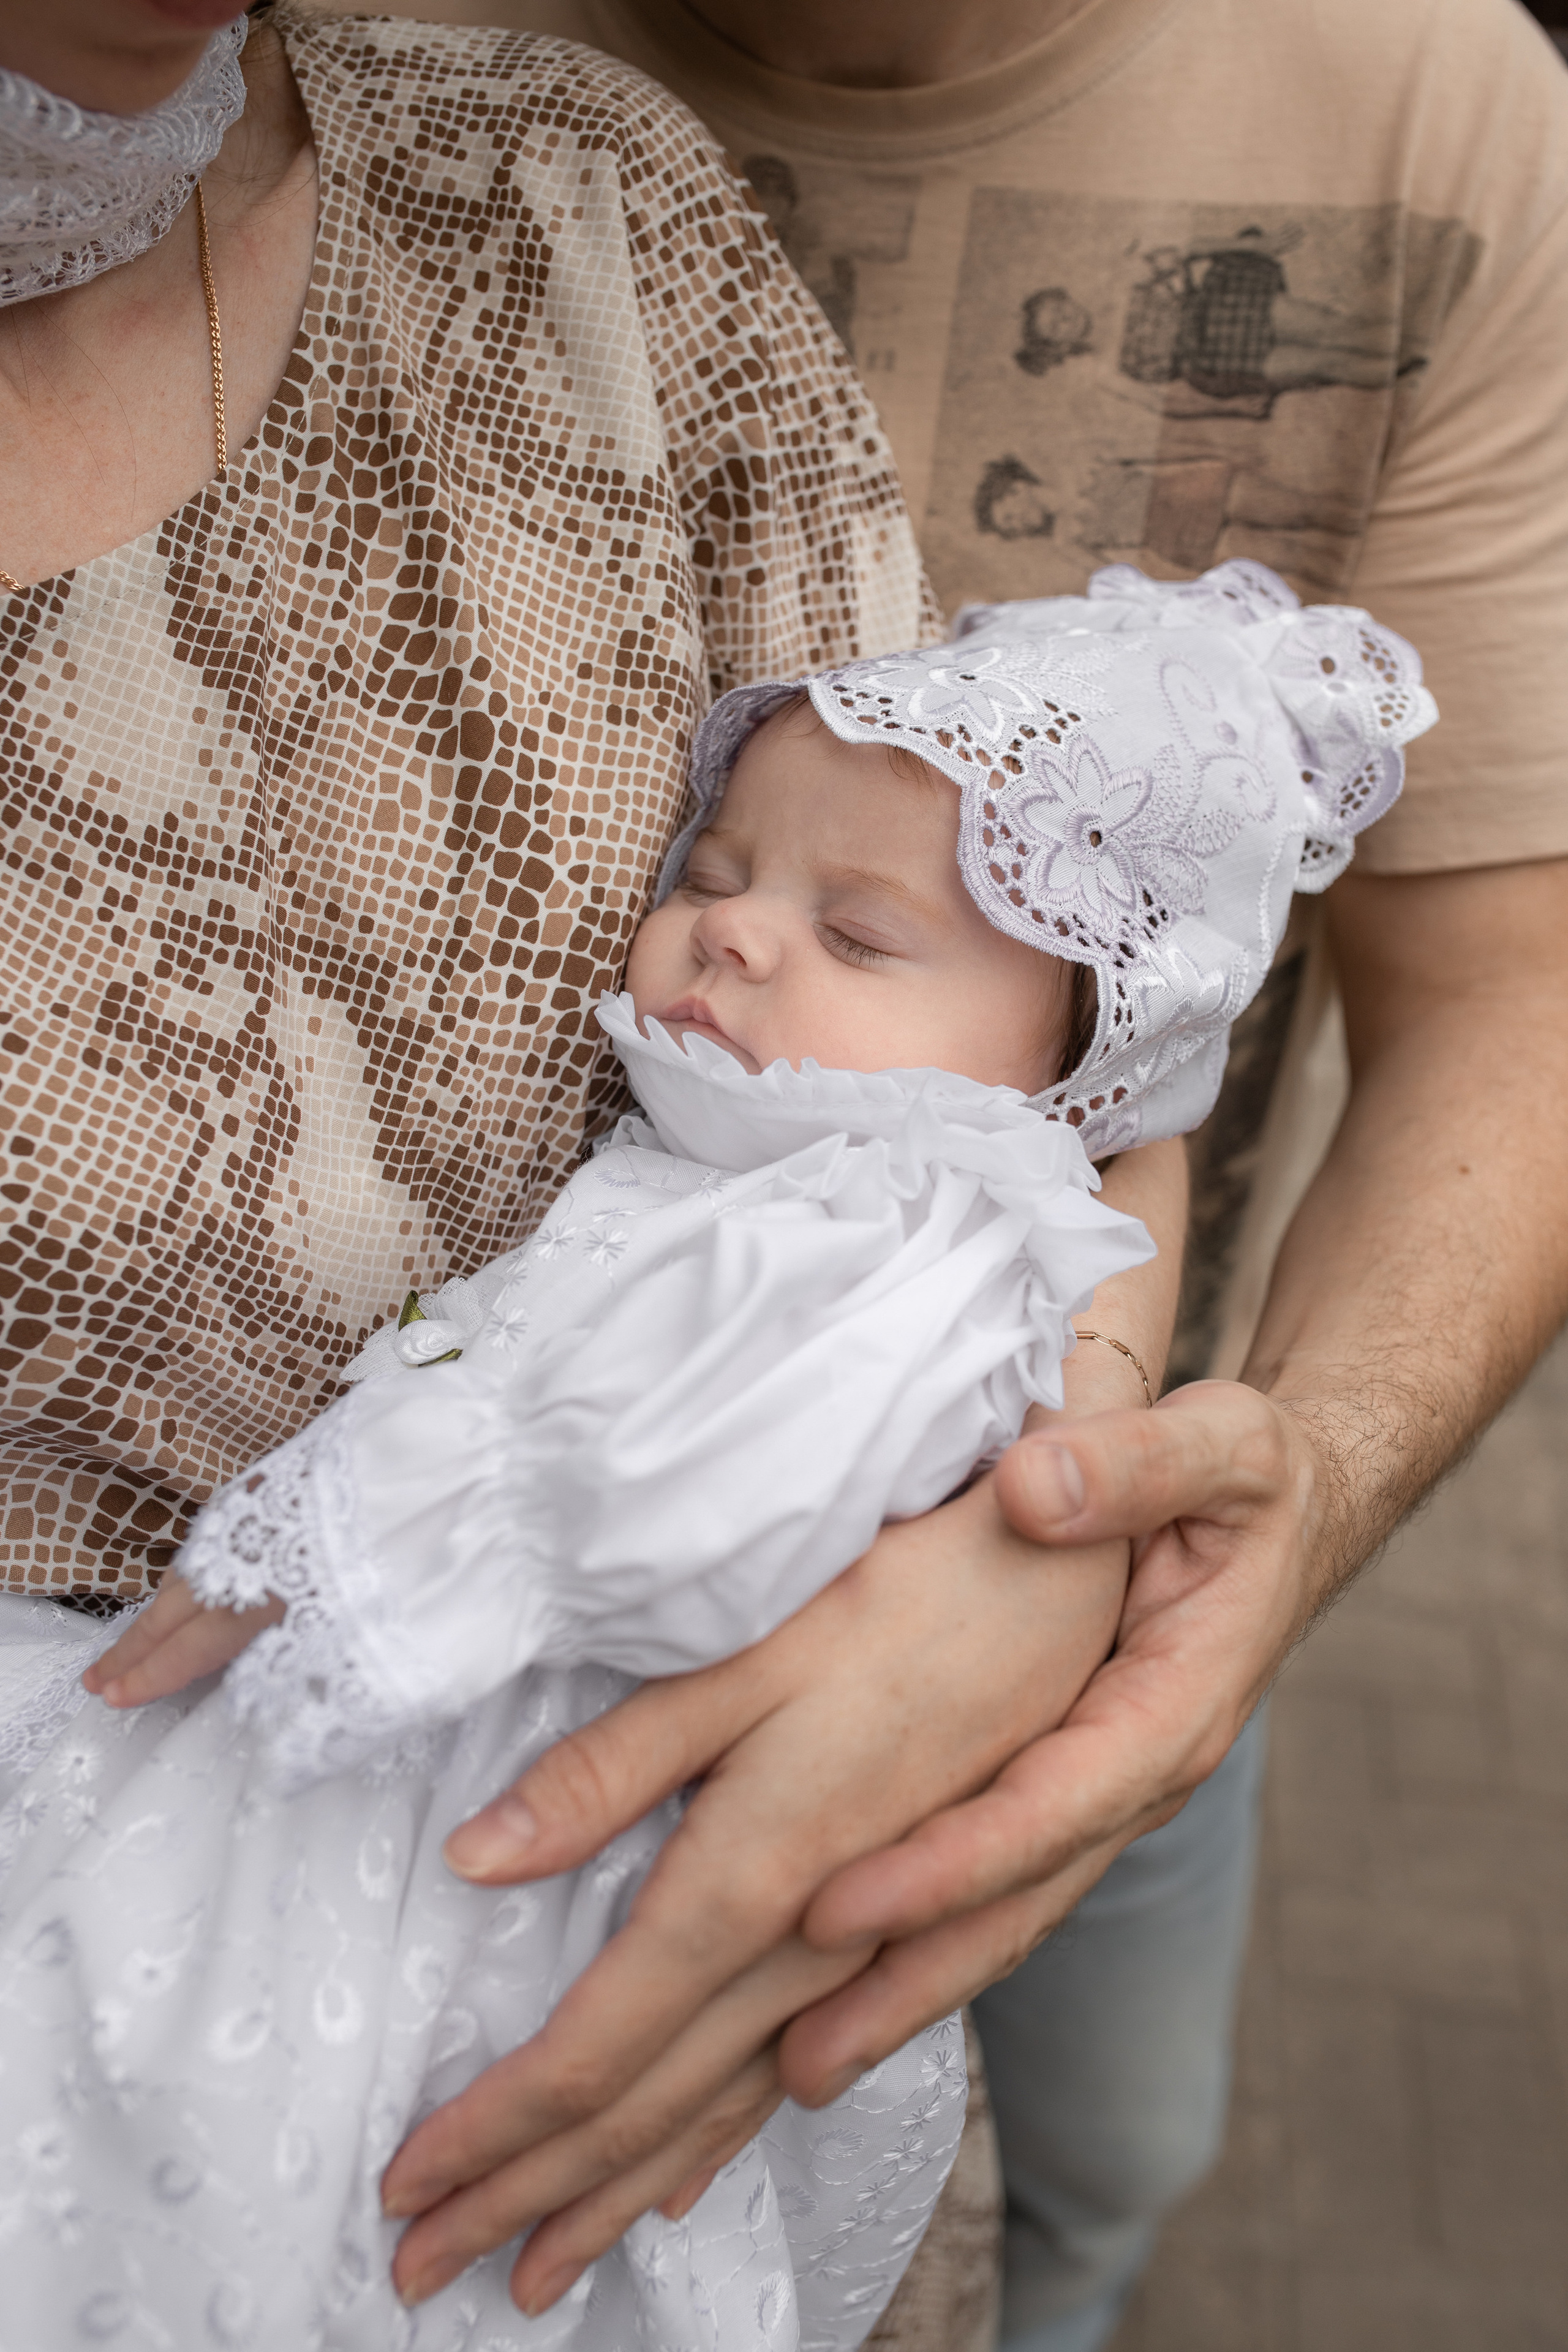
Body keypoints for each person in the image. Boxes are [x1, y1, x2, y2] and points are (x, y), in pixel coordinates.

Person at [296, 4, 1568, 2347]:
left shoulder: (1431, 91)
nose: (744, 933)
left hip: (1150, 1521)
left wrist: (1196, 1524)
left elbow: (1506, 980)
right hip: (496, 1631)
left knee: (1102, 2149)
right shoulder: (308, 63)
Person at [0, 6, 1189, 2345]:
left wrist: (1046, 1505)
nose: (744, 944)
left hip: (650, 2034)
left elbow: (1026, 1003)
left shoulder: (583, 211)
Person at [0, 560, 1433, 2345]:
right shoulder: (762, 1166)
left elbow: (686, 1492)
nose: (736, 934)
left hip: (526, 1810)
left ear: (1068, 1073)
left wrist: (385, 1526)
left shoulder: (905, 1216)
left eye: (861, 936)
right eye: (716, 871)